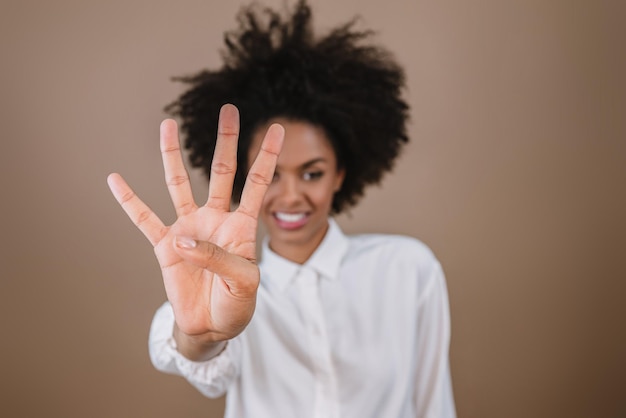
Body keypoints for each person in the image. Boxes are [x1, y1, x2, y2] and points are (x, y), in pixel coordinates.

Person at [108, 1, 456, 417]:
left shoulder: (407, 269)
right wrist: (200, 334)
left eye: (312, 173)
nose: (291, 196)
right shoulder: (229, 289)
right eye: (270, 174)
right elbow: (196, 355)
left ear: (341, 174)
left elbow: (434, 404)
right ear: (242, 177)